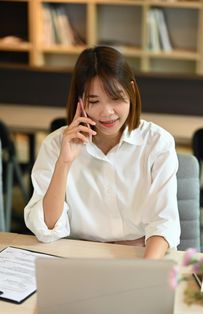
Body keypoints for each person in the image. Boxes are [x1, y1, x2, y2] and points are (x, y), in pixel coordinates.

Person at [24, 46, 180, 259]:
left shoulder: (157, 143)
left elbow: (164, 224)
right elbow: (46, 229)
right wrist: (64, 162)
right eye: (94, 101)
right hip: (78, 258)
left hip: (141, 256)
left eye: (116, 98)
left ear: (131, 91)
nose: (107, 112)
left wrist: (145, 273)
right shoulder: (55, 145)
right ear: (79, 101)